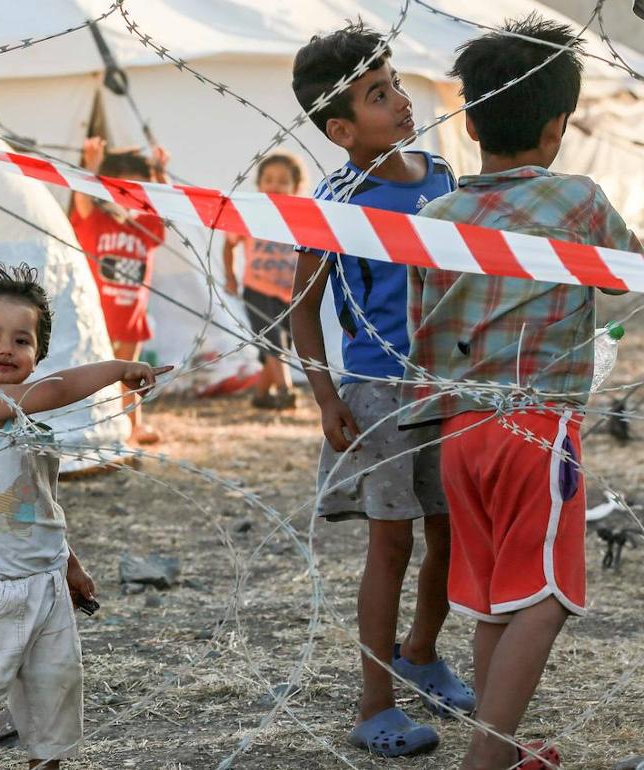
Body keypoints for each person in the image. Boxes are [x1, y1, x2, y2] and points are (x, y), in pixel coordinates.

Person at [402, 17, 642, 770]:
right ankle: (484, 759)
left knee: (493, 596)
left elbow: (422, 326)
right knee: (545, 596)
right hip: (534, 427)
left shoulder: (434, 217)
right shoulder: (578, 203)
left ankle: (497, 746)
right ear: (558, 126)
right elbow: (625, 272)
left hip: (456, 431)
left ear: (468, 119)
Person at [287, 22, 473, 757]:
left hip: (448, 385)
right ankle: (374, 703)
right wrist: (325, 395)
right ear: (340, 129)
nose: (398, 101)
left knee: (452, 531)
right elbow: (302, 308)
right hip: (377, 392)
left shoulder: (441, 178)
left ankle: (422, 652)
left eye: (393, 85)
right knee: (390, 544)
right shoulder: (337, 200)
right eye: (376, 95)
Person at [0, 264, 169, 770]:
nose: (6, 349)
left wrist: (68, 563)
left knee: (56, 696)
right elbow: (56, 391)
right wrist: (118, 367)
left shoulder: (30, 427)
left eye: (22, 340)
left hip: (44, 586)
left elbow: (40, 505)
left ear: (36, 354)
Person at [70, 138, 170, 444]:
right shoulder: (94, 220)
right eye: (123, 190)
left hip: (131, 315)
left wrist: (161, 174)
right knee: (92, 374)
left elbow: (164, 205)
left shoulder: (146, 228)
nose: (130, 198)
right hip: (96, 315)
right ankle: (91, 424)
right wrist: (91, 167)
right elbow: (83, 200)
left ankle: (132, 424)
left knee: (131, 376)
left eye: (138, 191)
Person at [222, 153, 305, 409]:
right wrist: (231, 277)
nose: (274, 186)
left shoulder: (301, 218)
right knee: (272, 340)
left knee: (282, 345)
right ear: (258, 184)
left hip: (289, 292)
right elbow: (229, 244)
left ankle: (261, 395)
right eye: (268, 180)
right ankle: (285, 389)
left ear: (296, 187)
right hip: (256, 288)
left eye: (282, 181)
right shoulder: (250, 214)